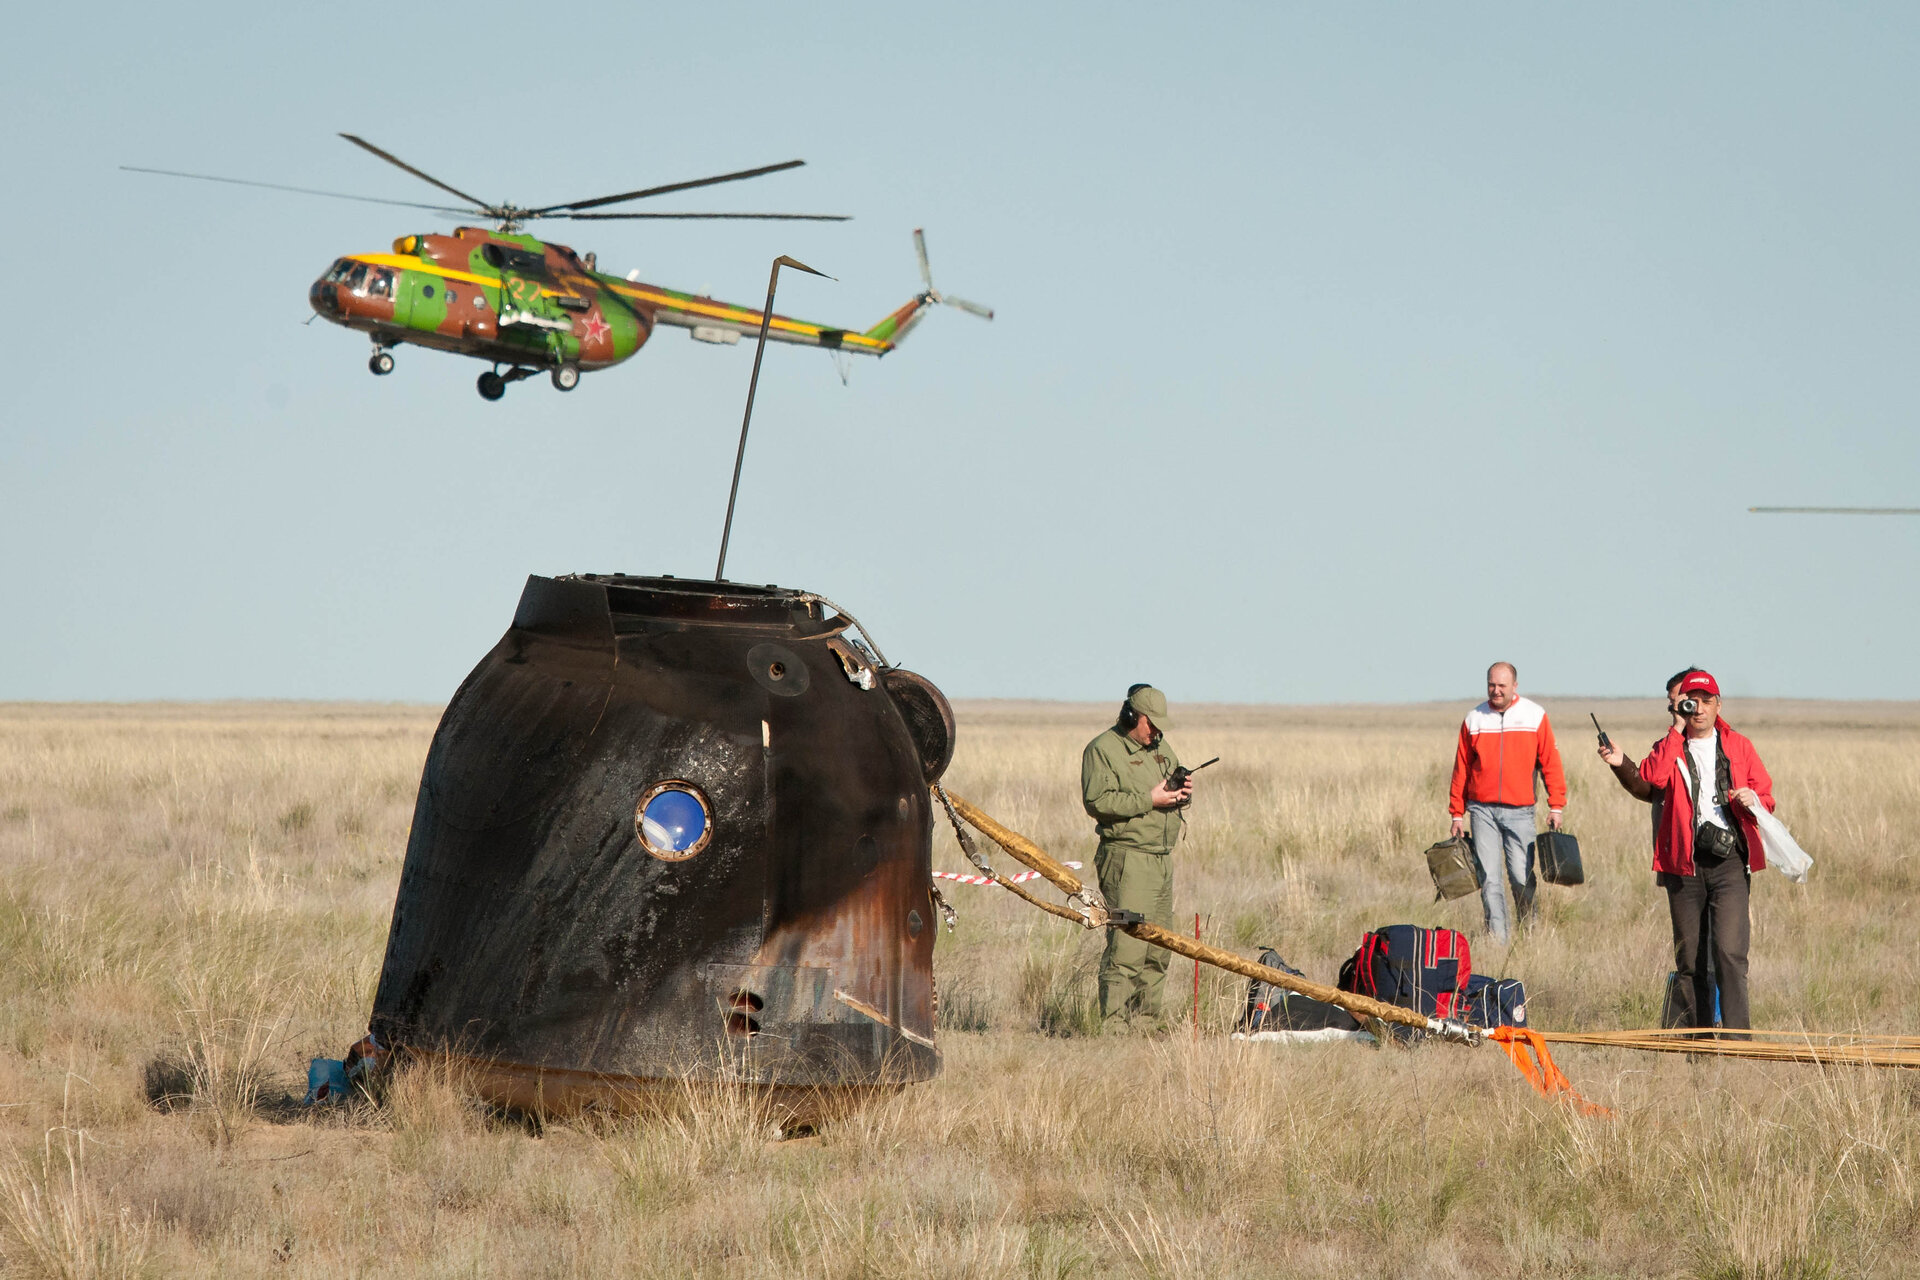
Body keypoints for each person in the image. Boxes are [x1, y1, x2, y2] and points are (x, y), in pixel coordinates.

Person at [1623, 670, 1774, 1032]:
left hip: (1730, 863)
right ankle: (1699, 1042)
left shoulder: (1739, 745)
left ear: (1718, 704)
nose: (1700, 709)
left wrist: (1754, 799)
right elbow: (1653, 778)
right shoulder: (1671, 745)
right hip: (1684, 865)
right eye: (1692, 702)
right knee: (1690, 959)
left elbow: (1767, 796)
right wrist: (1676, 728)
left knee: (1730, 954)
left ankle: (1739, 1044)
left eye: (1707, 701)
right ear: (1681, 705)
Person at [1081, 684, 1191, 1029]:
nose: (1156, 731)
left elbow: (1167, 791)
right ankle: (1113, 1028)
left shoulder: (1161, 747)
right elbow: (1097, 802)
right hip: (1127, 859)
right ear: (1132, 716)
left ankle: (1145, 1023)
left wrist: (1181, 795)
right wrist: (1150, 800)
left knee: (1158, 948)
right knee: (1128, 948)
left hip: (1160, 859)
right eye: (1151, 724)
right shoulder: (1102, 750)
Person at [1446, 662, 1567, 945]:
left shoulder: (1535, 716)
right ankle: (1497, 940)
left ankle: (1529, 932)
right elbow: (1461, 768)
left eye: (1502, 685)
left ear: (1515, 686)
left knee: (1521, 877)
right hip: (1481, 809)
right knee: (1489, 879)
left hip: (1521, 811)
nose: (1496, 690)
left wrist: (1556, 805)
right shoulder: (1474, 718)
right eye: (1491, 684)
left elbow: (1551, 762)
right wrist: (1456, 813)